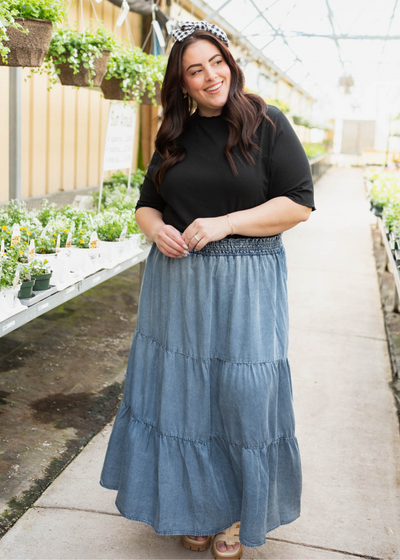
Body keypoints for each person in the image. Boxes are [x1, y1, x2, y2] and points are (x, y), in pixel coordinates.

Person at [100, 19, 316, 560]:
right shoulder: (174, 134)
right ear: (183, 84)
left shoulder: (267, 122)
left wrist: (225, 222)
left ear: (230, 63)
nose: (210, 76)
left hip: (247, 284)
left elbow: (298, 203)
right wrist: (157, 230)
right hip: (178, 286)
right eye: (195, 71)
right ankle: (195, 506)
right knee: (186, 399)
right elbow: (147, 202)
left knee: (243, 398)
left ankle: (240, 512)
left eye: (215, 62)